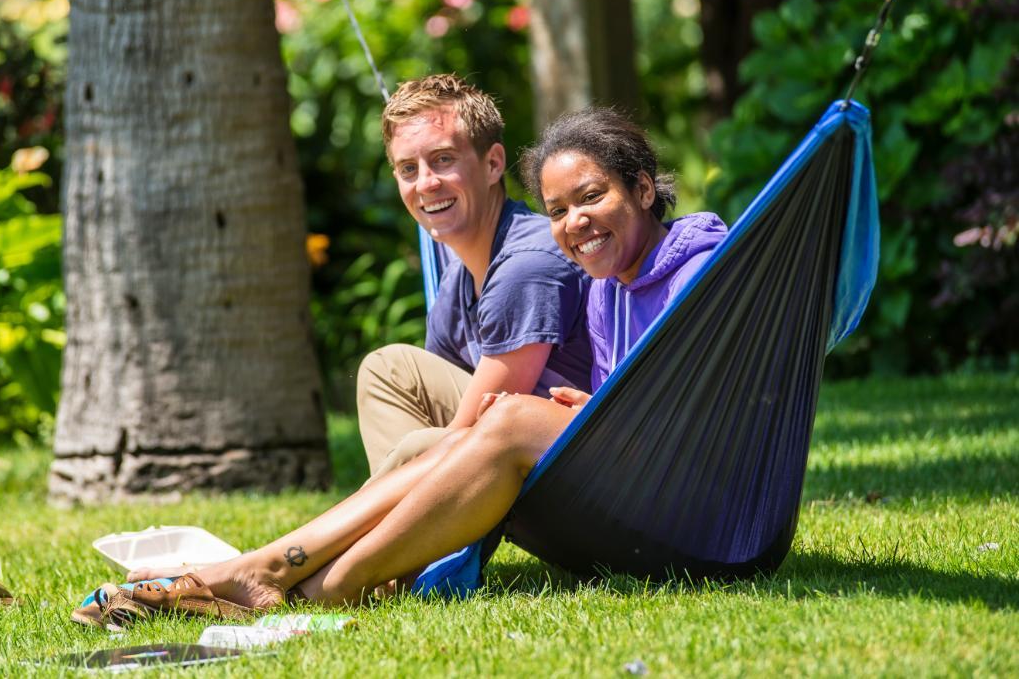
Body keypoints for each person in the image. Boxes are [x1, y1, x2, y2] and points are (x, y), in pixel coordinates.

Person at [96, 108, 726, 618]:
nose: (573, 223)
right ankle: (284, 574)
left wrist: (602, 414)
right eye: (558, 209)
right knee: (434, 391)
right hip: (626, 485)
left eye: (591, 197)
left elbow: (714, 412)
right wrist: (599, 409)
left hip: (697, 518)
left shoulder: (702, 271)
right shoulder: (609, 285)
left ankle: (302, 580)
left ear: (643, 189)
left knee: (503, 419)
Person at [357, 75, 593, 478]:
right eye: (408, 169)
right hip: (507, 448)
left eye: (444, 159)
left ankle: (338, 538)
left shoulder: (528, 264)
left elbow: (464, 436)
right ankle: (415, 536)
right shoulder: (456, 284)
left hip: (577, 463)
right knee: (387, 369)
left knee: (419, 449)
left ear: (493, 163)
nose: (426, 184)